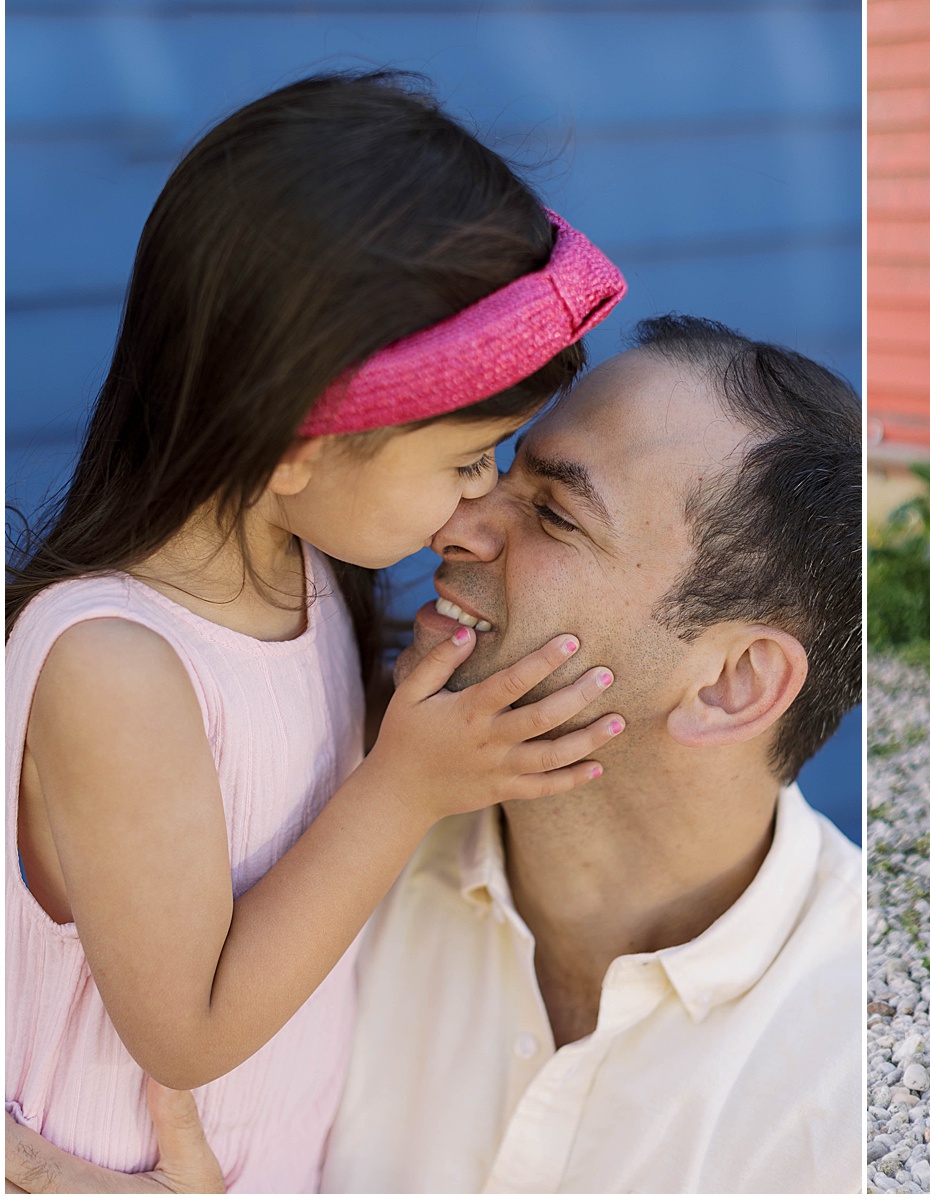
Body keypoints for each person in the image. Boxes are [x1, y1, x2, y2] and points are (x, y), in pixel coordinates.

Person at [6, 317, 865, 1193]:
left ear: (732, 682)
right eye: (495, 464)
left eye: (556, 514)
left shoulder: (845, 1091)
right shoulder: (310, 792)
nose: (456, 522)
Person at [5, 72, 623, 1190]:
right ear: (293, 443)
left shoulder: (301, 566)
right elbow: (184, 1026)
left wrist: (416, 697)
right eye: (462, 459)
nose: (480, 505)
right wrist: (403, 785)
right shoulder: (115, 665)